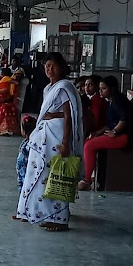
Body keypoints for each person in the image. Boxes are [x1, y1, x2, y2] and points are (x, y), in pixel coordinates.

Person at [14, 53, 83, 231]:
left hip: (57, 136)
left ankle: (59, 218)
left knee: (55, 175)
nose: (49, 68)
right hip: (43, 136)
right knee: (37, 175)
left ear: (61, 67)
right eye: (46, 65)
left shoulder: (64, 87)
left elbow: (70, 116)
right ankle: (31, 211)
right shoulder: (48, 88)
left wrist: (65, 142)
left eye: (53, 65)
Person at [78, 75, 131, 189]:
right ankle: (88, 176)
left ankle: (87, 181)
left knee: (89, 146)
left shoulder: (118, 100)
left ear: (112, 89)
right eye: (100, 88)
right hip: (117, 134)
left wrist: (115, 132)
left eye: (104, 88)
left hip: (125, 136)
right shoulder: (110, 101)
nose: (100, 91)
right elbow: (109, 123)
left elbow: (125, 118)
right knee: (89, 141)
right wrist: (98, 133)